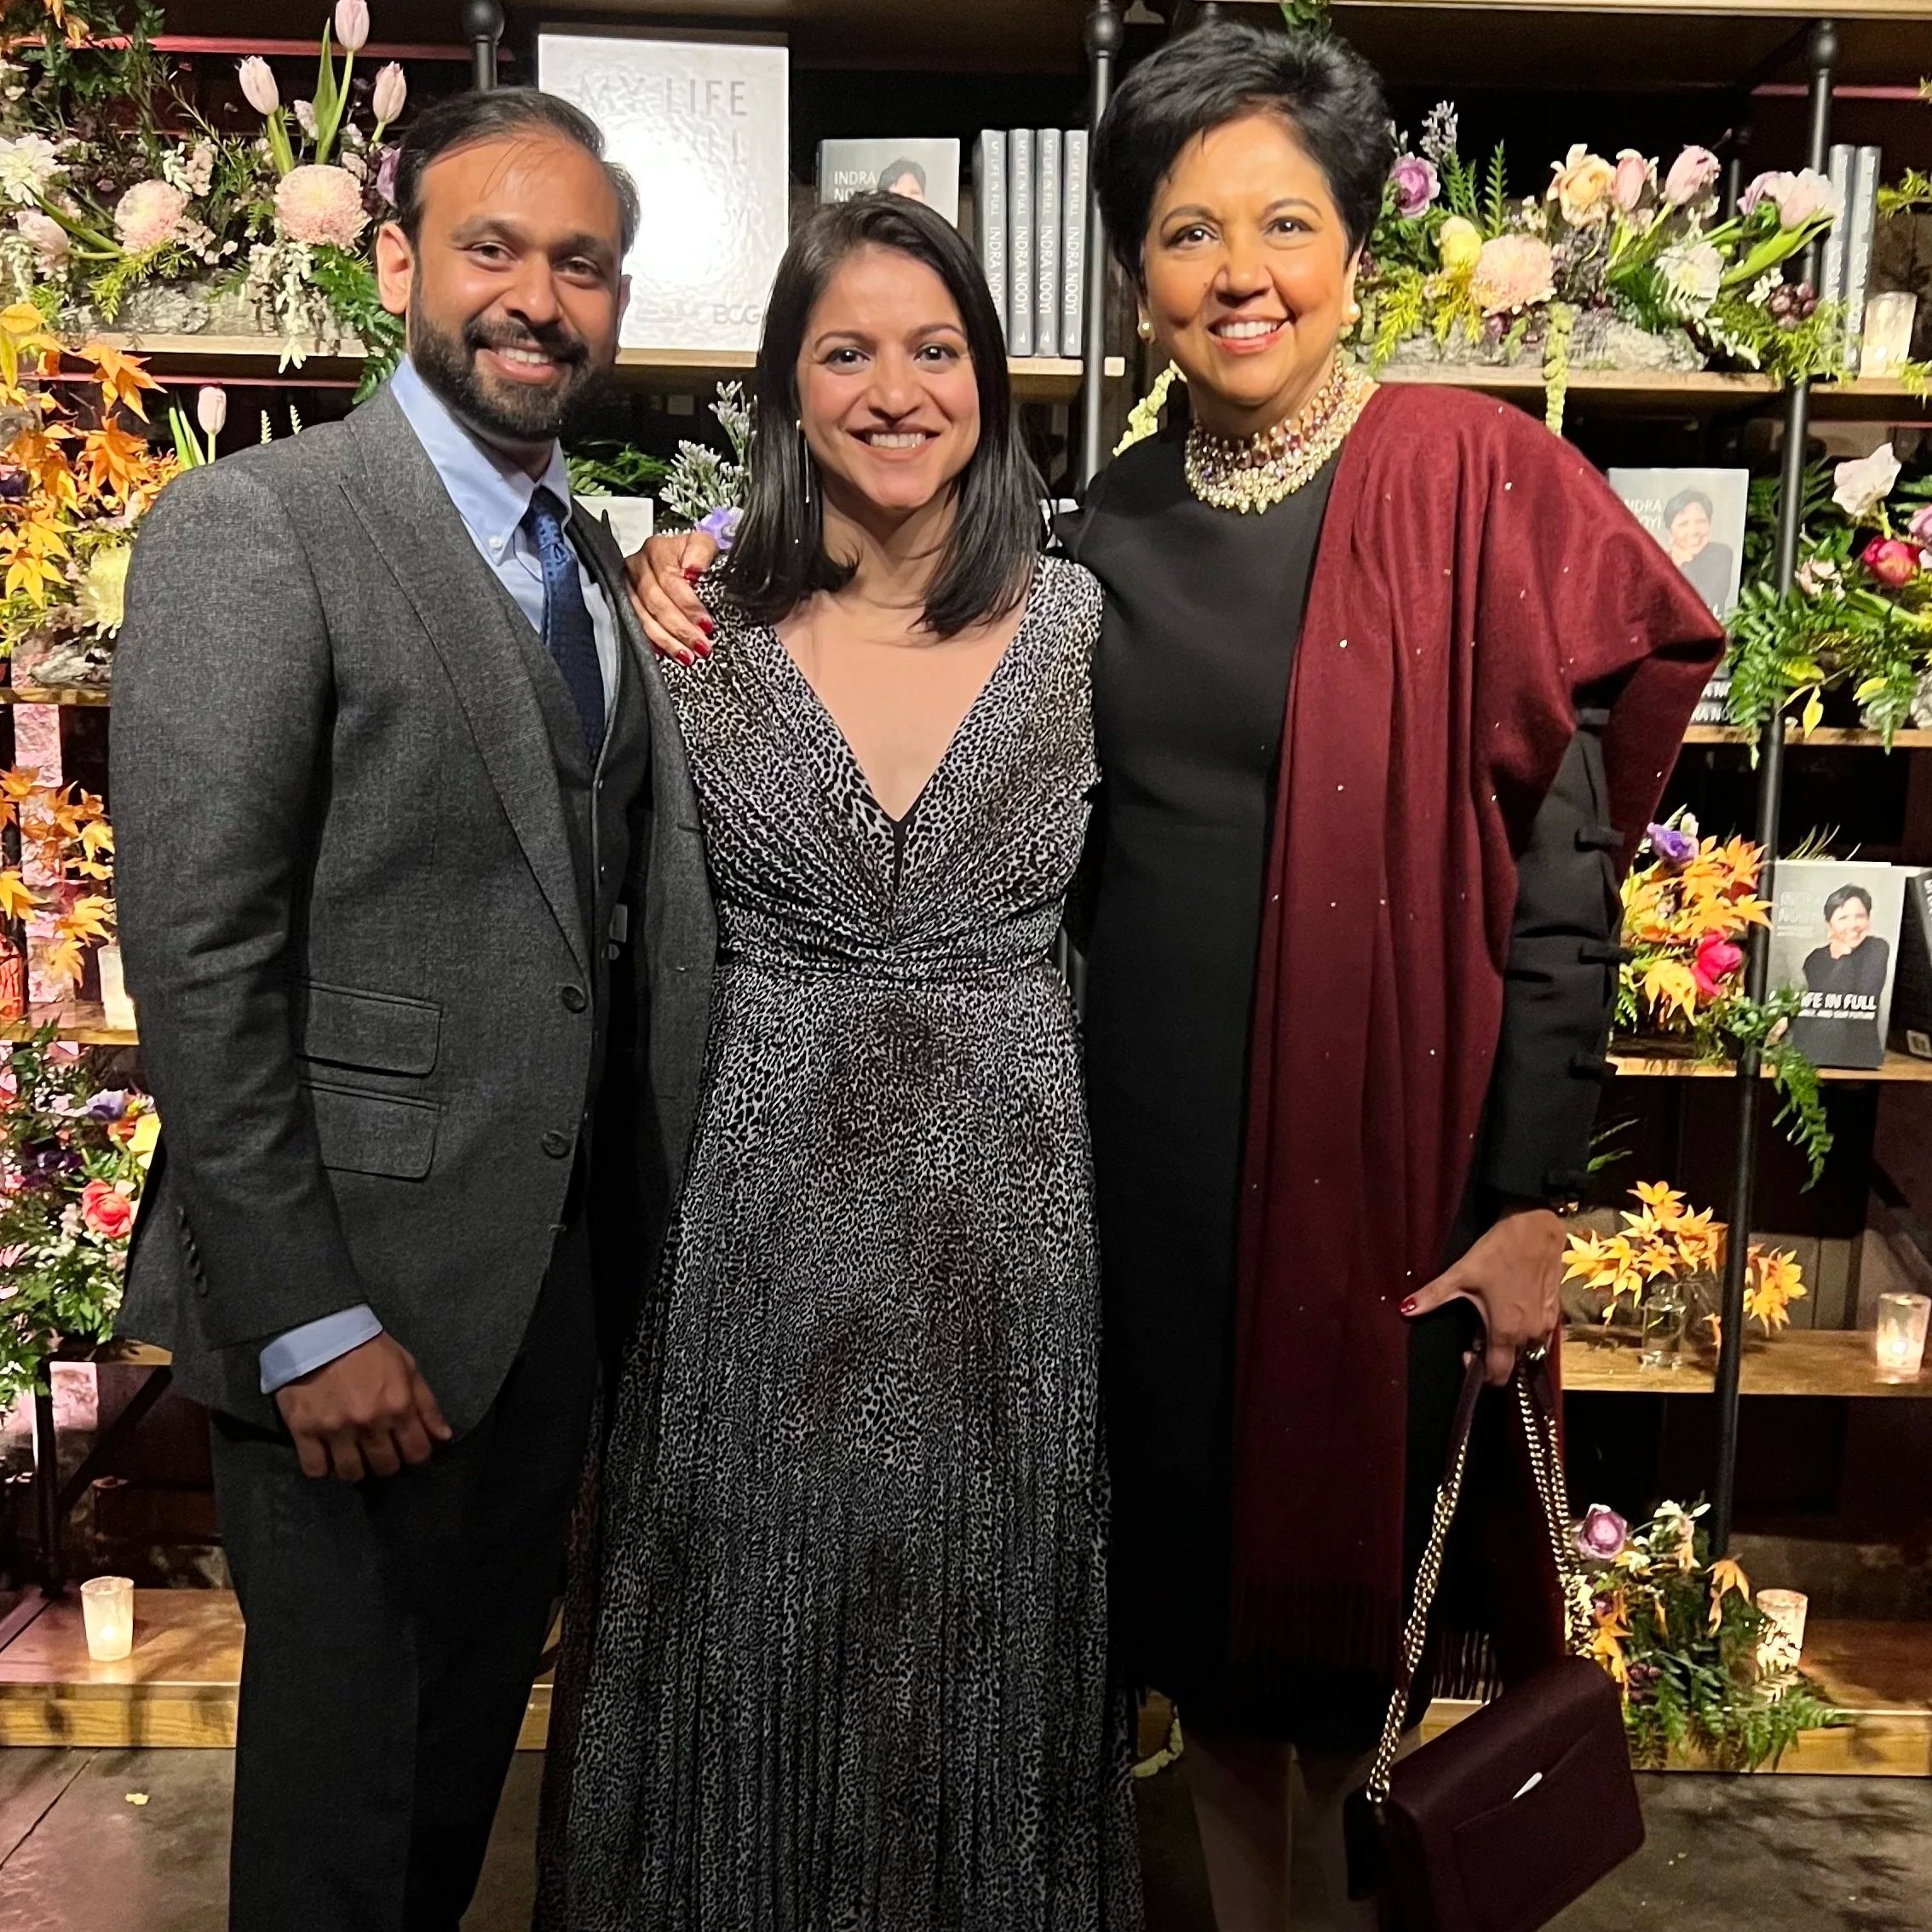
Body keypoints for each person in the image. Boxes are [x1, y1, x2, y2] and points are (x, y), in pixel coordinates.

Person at [627, 27, 1721, 1929]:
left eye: (1283, 223)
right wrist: (681, 560)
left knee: (1350, 1633)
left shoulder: (1468, 481)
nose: (1240, 272)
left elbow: (1567, 882)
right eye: (1189, 232)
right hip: (1129, 1187)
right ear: (1134, 273)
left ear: (1357, 242)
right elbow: (902, 670)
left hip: (1383, 1177)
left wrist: (1531, 1196)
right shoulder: (1102, 534)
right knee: (1201, 1629)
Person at [111, 88, 715, 1932]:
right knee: (342, 1832)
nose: (537, 296)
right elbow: (198, 953)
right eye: (491, 249)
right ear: (395, 264)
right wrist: (305, 1319)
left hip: (543, 1314)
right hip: (351, 1316)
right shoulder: (257, 526)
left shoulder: (591, 564)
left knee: (447, 1799)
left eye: (581, 263)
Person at [537, 192, 1140, 1930]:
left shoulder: (1088, 629)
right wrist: (655, 563)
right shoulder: (692, 628)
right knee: (741, 1613)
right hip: (750, 1228)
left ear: (988, 380)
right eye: (847, 351)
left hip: (1008, 1240)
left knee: (992, 1620)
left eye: (934, 349)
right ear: (788, 392)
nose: (894, 389)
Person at [1791, 883, 1891, 1067]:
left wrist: (1845, 953)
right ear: (1829, 925)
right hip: (1815, 1047)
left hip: (1860, 1054)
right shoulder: (1815, 958)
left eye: (1860, 916)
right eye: (1843, 918)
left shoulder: (1877, 948)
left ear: (1869, 919)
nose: (1853, 925)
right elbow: (1823, 1003)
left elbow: (1861, 996)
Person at [1664, 486, 1735, 616]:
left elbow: (1706, 600)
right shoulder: (1658, 563)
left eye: (1701, 521)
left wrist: (1685, 561)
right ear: (1670, 532)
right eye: (1683, 524)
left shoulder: (1720, 555)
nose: (1694, 531)